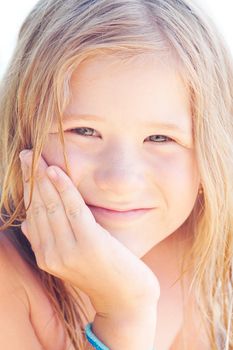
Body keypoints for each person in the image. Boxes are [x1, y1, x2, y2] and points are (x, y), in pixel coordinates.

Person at [0, 0, 232, 349]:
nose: (121, 180)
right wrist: (125, 315)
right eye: (83, 131)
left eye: (159, 138)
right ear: (22, 131)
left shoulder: (192, 253)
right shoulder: (8, 281)